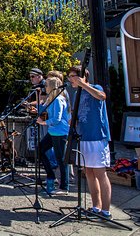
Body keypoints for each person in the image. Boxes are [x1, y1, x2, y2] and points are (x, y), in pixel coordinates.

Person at [68, 65, 113, 218]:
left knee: (100, 172)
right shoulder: (76, 95)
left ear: (81, 76)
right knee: (88, 172)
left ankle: (106, 209)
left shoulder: (94, 87)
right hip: (84, 136)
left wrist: (84, 85)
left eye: (72, 76)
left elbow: (101, 96)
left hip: (97, 136)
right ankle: (96, 206)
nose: (70, 79)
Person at [37, 77, 70, 195]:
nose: (45, 87)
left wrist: (44, 123)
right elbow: (41, 109)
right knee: (39, 149)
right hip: (53, 131)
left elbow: (57, 119)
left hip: (60, 131)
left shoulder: (58, 99)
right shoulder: (51, 99)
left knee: (61, 158)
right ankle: (51, 175)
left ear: (51, 86)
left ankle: (64, 186)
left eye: (46, 86)